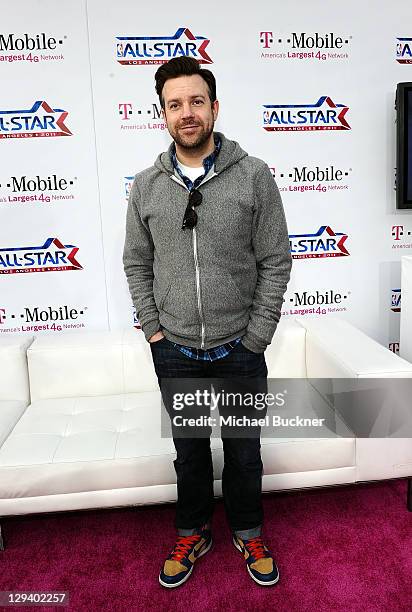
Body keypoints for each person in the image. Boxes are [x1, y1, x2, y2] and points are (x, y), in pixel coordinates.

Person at [123, 56, 292, 588]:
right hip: (174, 347)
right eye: (176, 104)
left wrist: (258, 334)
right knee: (190, 452)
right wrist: (153, 330)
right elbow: (136, 261)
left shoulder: (254, 175)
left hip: (240, 347)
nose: (187, 113)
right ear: (163, 114)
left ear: (214, 107)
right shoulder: (146, 186)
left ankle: (247, 529)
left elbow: (276, 258)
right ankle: (193, 530)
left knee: (244, 453)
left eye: (197, 101)